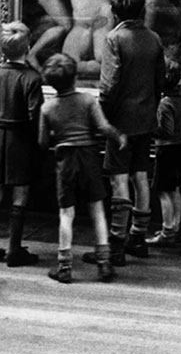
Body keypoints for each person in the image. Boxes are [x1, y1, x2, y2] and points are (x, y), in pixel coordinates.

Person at [83, 0, 166, 266]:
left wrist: (102, 119)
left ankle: (116, 244)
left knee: (119, 179)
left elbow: (108, 87)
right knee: (141, 175)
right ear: (141, 9)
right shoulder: (154, 39)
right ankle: (138, 237)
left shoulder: (114, 39)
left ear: (116, 12)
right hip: (146, 119)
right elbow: (160, 82)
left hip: (120, 122)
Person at [38, 53, 127, 284]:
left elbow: (42, 142)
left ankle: (64, 267)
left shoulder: (47, 108)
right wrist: (119, 137)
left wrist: (57, 132)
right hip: (88, 157)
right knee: (97, 209)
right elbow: (103, 127)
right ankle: (104, 263)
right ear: (75, 76)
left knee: (66, 213)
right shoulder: (88, 100)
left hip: (65, 160)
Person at [0, 21, 44, 267]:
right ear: (27, 47)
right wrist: (39, 143)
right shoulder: (32, 79)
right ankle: (14, 250)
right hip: (20, 143)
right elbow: (34, 116)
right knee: (20, 193)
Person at [147, 59, 181, 247]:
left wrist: (149, 129)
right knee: (175, 188)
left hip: (167, 149)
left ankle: (167, 232)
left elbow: (166, 131)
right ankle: (175, 228)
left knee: (162, 191)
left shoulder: (165, 103)